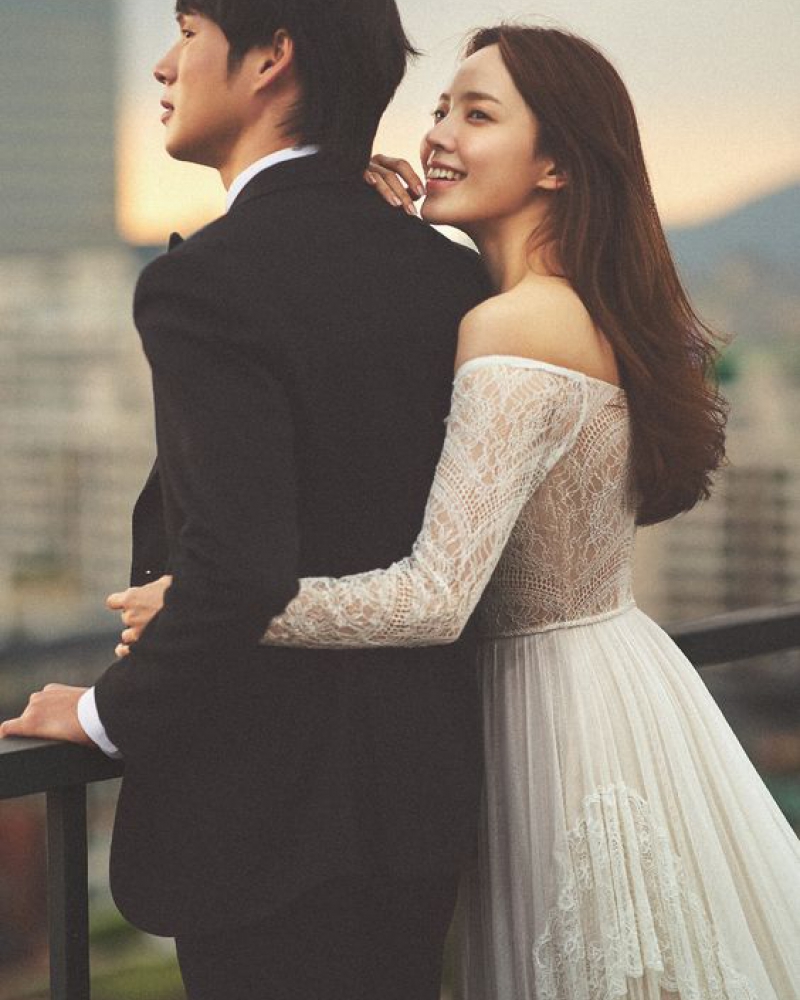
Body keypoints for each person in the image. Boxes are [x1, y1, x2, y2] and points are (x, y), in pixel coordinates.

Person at [113, 23, 800, 1000]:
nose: (436, 134)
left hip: (554, 722)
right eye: (440, 107)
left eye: (477, 115)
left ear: (557, 163)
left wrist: (211, 604)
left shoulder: (508, 326)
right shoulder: (545, 301)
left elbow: (434, 597)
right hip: (608, 683)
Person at [0, 2, 495, 998]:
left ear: (272, 58)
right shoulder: (449, 273)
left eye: (188, 31)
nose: (163, 66)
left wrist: (102, 712)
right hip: (412, 809)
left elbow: (237, 568)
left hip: (260, 827)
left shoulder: (207, 281)